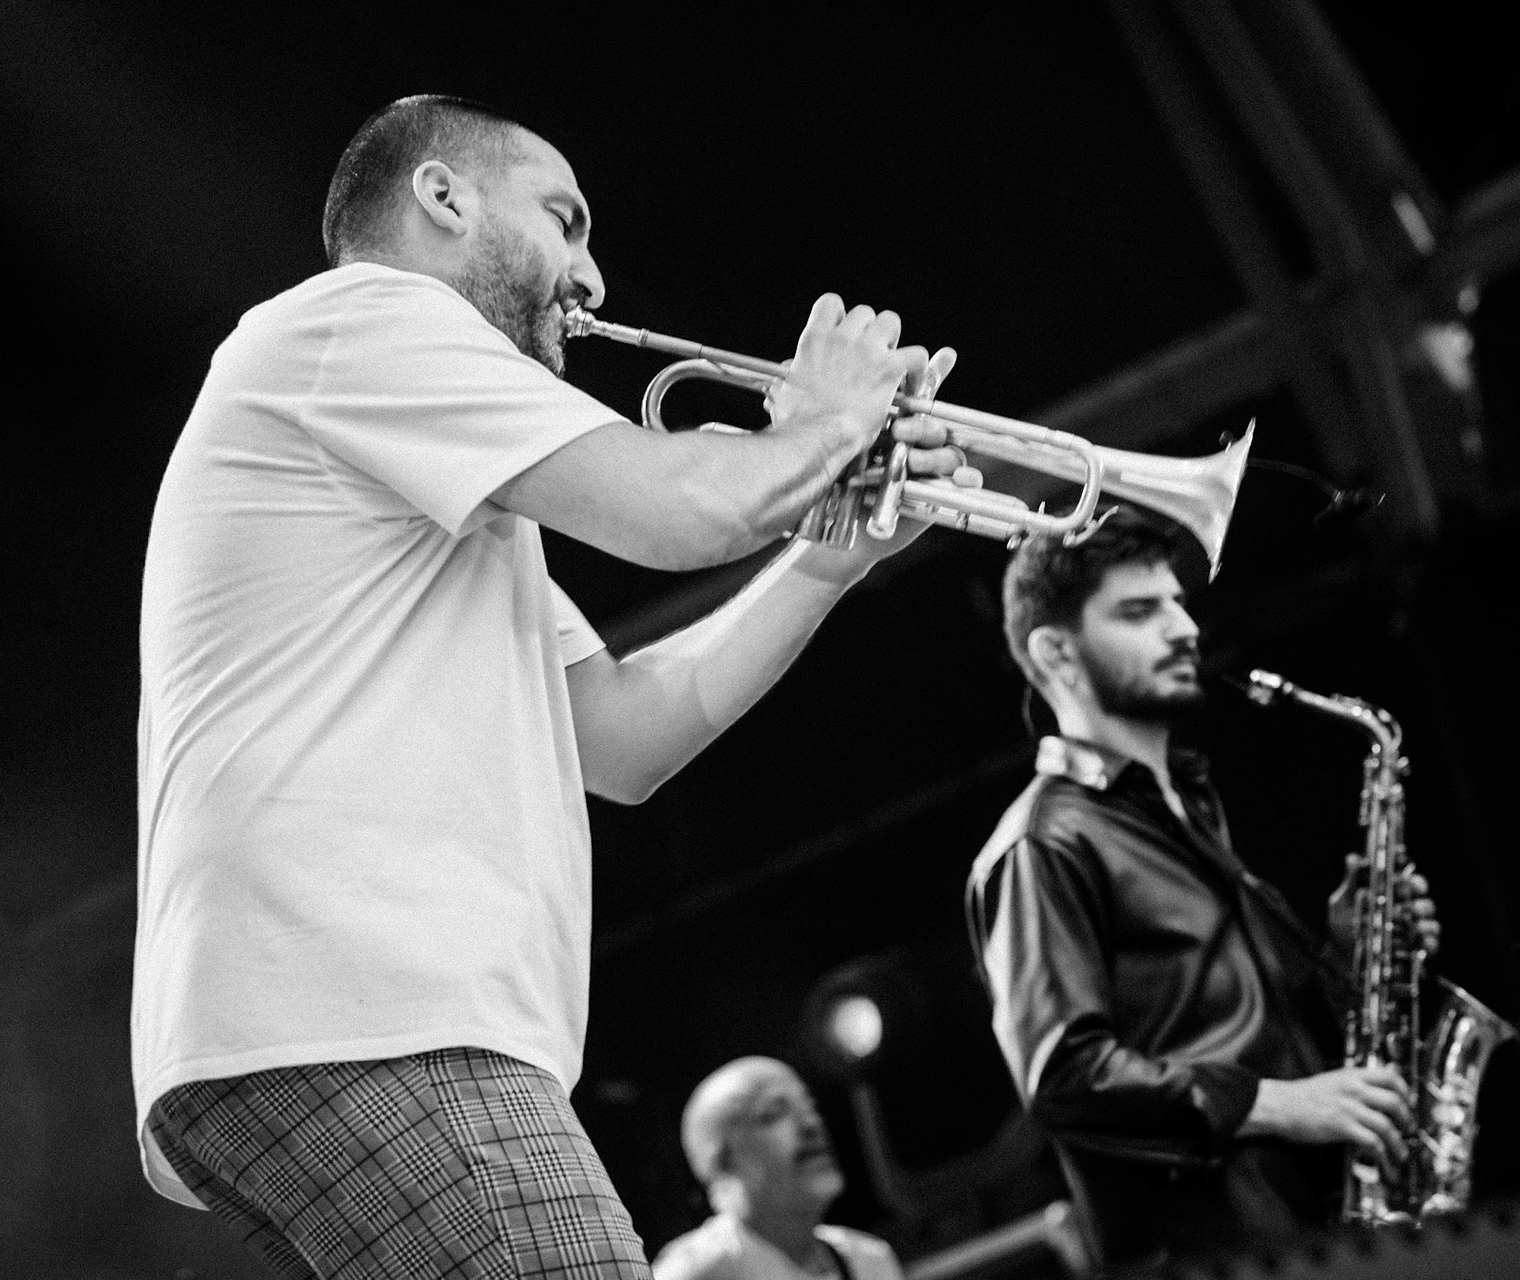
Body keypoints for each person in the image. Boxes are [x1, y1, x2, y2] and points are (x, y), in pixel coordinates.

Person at [133, 94, 975, 1280]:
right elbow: (687, 508)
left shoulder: (439, 492)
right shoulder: (365, 318)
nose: (592, 274)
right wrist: (828, 424)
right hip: (378, 1011)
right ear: (442, 196)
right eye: (564, 220)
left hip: (333, 1024)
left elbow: (626, 736)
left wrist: (828, 557)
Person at [964, 508, 1442, 1274]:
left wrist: (1347, 959)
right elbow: (1064, 1079)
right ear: (1056, 652)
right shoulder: (1044, 844)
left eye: (1179, 603)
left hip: (1310, 1233)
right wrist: (1283, 1105)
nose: (1184, 627)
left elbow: (1241, 1031)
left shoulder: (1189, 807)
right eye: (1139, 611)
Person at [653, 1058, 904, 1280]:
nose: (811, 1124)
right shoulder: (695, 1272)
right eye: (773, 1113)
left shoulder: (871, 1261)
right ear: (721, 1163)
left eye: (810, 1108)